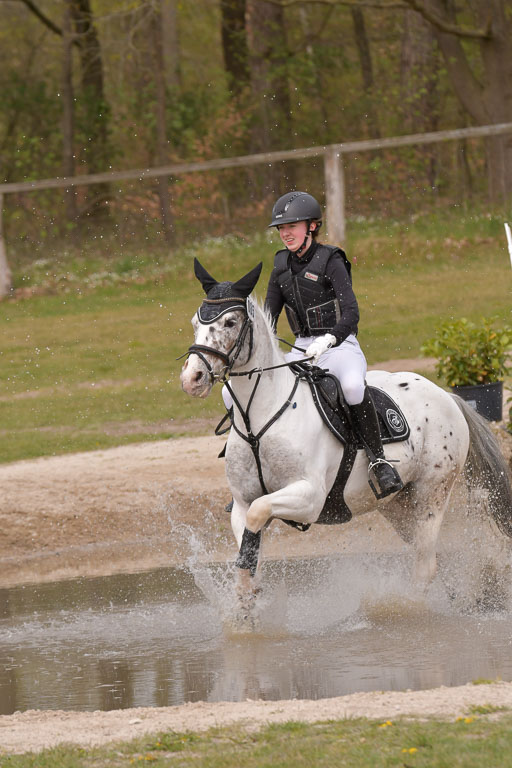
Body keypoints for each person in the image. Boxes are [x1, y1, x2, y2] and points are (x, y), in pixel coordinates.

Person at [222, 190, 403, 499]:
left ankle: (378, 461)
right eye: (281, 228)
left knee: (352, 387)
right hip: (300, 350)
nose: (285, 233)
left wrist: (329, 339)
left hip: (339, 346)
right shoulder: (280, 264)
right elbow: (268, 316)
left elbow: (351, 314)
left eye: (292, 226)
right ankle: (249, 465)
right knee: (231, 392)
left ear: (312, 226)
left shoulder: (331, 260)